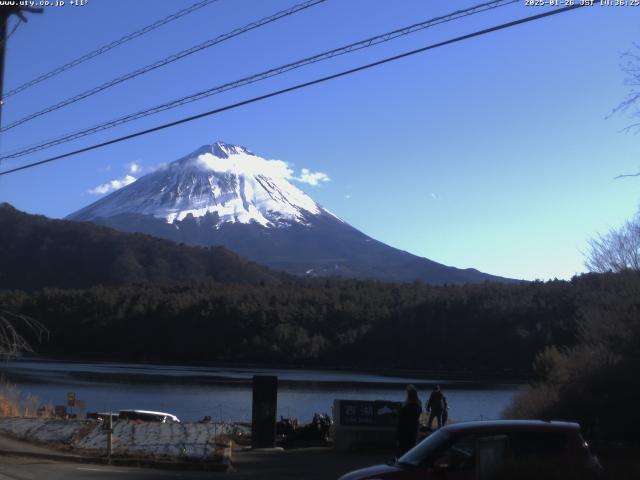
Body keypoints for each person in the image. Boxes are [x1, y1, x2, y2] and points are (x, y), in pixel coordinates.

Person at [397, 384, 422, 455]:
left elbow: (400, 423)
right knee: (412, 450)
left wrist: (397, 437)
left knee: (403, 452)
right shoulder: (418, 406)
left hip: (405, 432)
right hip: (414, 430)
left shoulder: (405, 407)